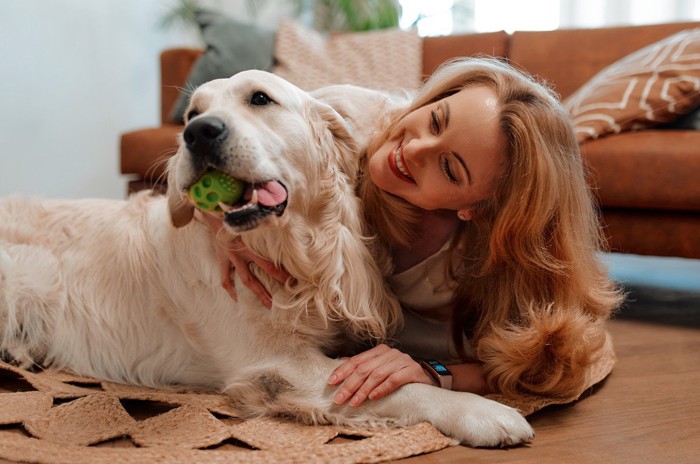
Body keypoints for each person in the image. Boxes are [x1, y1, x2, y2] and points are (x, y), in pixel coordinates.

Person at [201, 57, 623, 410]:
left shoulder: (485, 262)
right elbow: (219, 146)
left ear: (478, 208)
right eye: (436, 120)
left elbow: (552, 363)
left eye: (449, 168)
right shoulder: (345, 117)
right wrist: (222, 221)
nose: (413, 150)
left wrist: (434, 374)